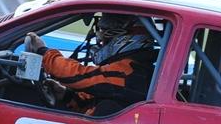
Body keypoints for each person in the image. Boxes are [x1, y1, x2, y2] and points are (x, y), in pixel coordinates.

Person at [25, 13, 157, 116]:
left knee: (106, 108)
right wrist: (66, 96)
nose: (100, 41)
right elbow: (95, 95)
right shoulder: (127, 70)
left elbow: (80, 75)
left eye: (106, 35)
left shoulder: (128, 73)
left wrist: (44, 52)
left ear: (124, 38)